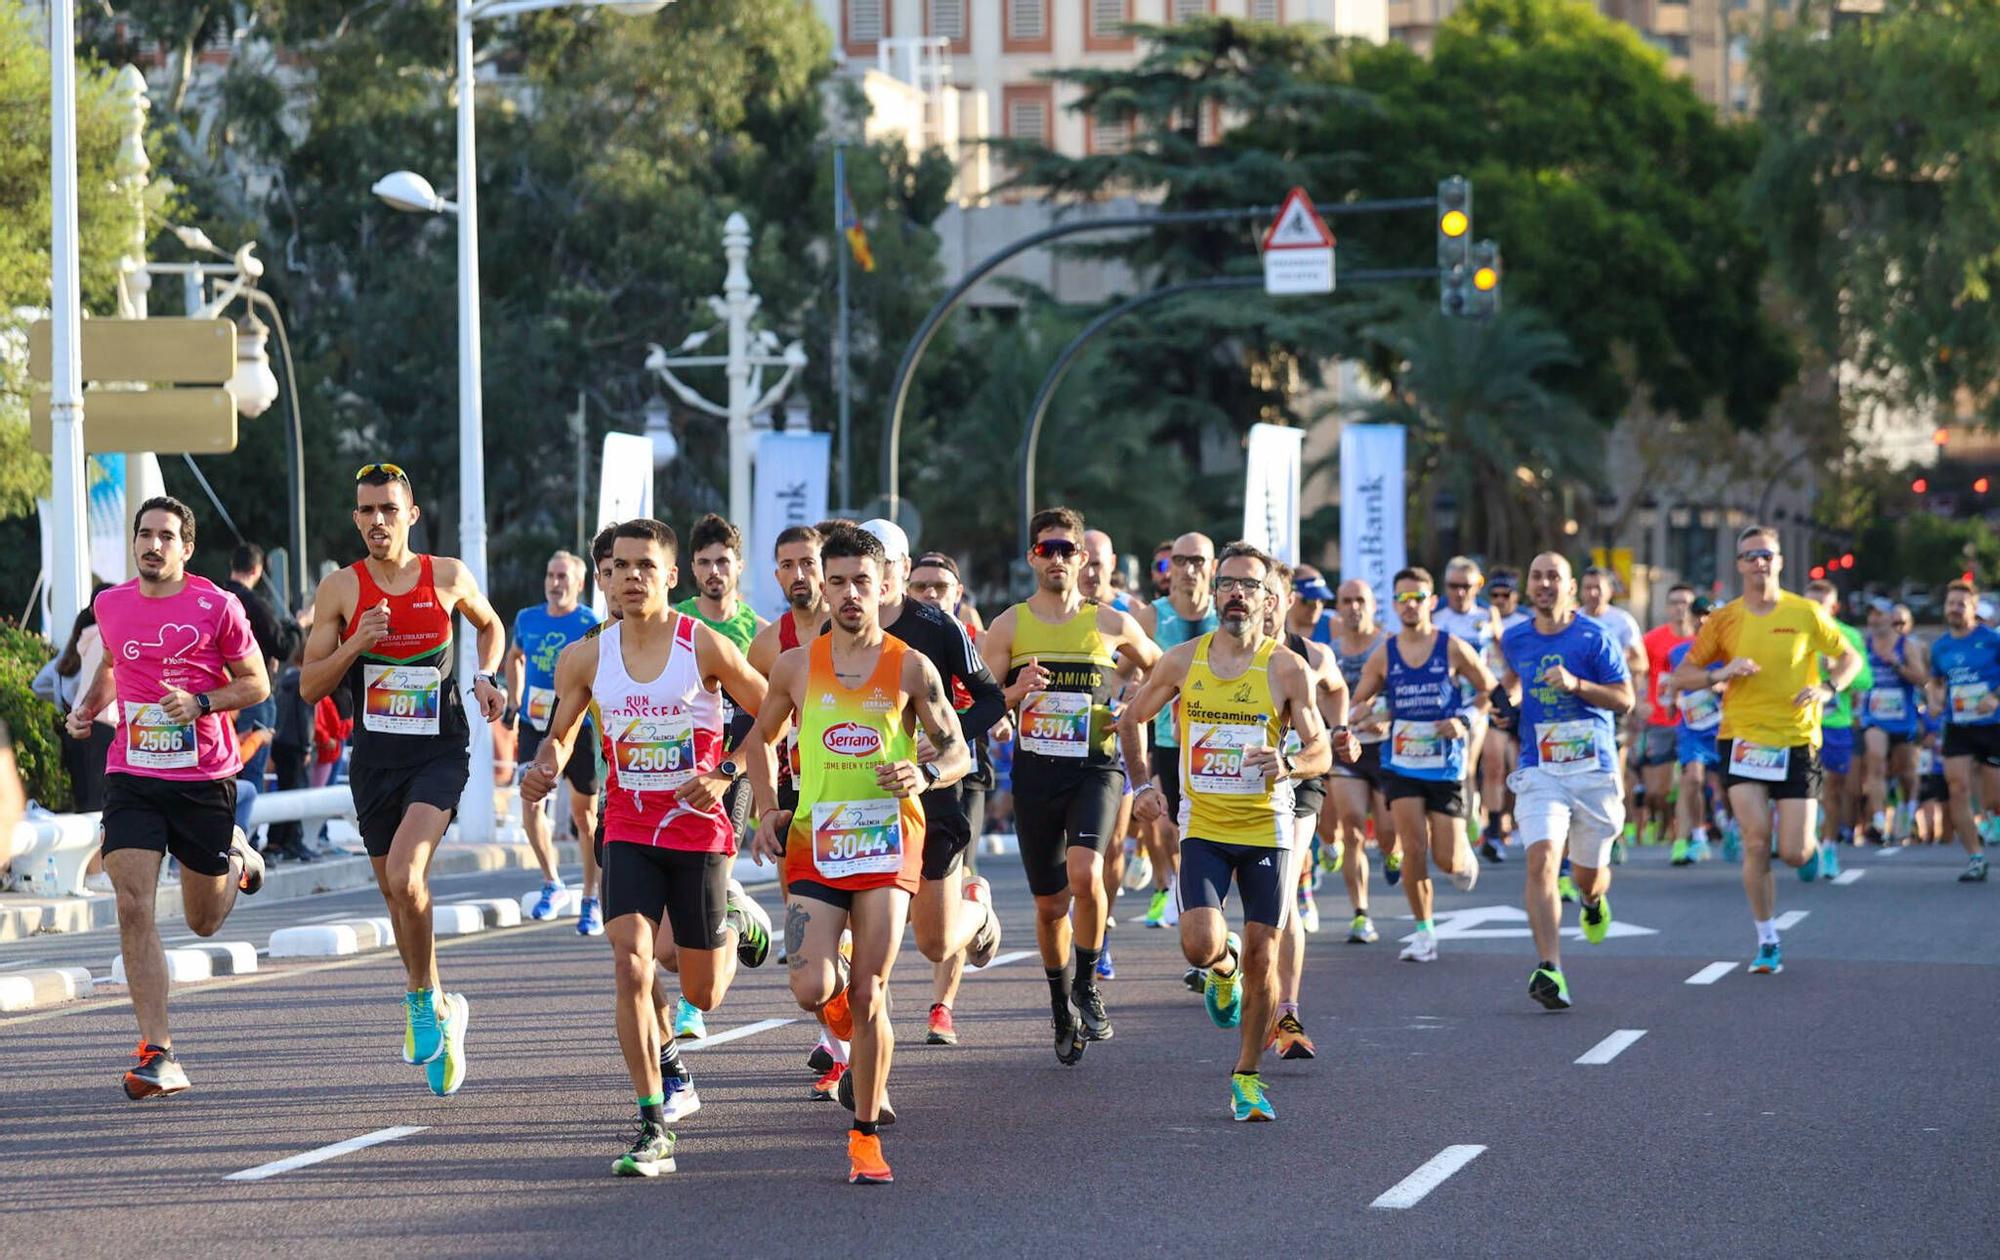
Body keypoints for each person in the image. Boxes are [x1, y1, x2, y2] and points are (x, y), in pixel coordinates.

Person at [524, 517, 774, 1177]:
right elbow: (561, 734)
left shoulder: (705, 647)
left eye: (645, 566)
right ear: (606, 578)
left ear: (671, 576)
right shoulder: (584, 656)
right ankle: (652, 1122)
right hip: (628, 826)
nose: (631, 577)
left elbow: (773, 712)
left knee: (703, 991)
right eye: (620, 566)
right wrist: (545, 764)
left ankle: (740, 919)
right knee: (632, 964)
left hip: (698, 831)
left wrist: (727, 773)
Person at [746, 524, 972, 1185]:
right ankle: (845, 1018)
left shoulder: (909, 666)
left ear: (884, 586)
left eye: (860, 582)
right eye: (835, 580)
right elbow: (760, 740)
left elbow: (957, 749)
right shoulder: (794, 665)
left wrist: (925, 775)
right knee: (810, 984)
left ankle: (865, 1136)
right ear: (822, 582)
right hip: (816, 839)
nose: (847, 593)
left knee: (872, 990)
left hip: (887, 842)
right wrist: (767, 809)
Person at [299, 463, 508, 1095]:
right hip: (374, 762)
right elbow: (311, 685)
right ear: (355, 518)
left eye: (389, 509)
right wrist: (355, 642)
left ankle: (419, 999)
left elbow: (490, 625)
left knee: (404, 876)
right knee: (398, 897)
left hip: (439, 753)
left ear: (411, 515)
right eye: (366, 510)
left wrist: (485, 675)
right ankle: (443, 1007)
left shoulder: (446, 575)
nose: (377, 521)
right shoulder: (341, 589)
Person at [1119, 542, 1341, 1121]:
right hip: (1205, 826)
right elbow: (1131, 719)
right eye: (1227, 584)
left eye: (1248, 585)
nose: (1236, 594)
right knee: (1197, 943)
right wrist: (1142, 786)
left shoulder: (1286, 667)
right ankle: (1222, 969)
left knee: (1266, 955)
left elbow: (1320, 748)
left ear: (1270, 601)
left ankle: (1246, 1076)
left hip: (1268, 826)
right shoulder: (1182, 660)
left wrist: (1291, 764)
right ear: (1216, 594)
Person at [65, 496, 270, 1098]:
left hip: (203, 776)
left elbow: (256, 681)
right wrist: (87, 708)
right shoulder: (111, 604)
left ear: (187, 547)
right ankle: (159, 1051)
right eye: (144, 535)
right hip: (132, 772)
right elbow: (109, 665)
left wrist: (203, 702)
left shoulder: (218, 606)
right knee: (132, 904)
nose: (152, 546)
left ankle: (238, 858)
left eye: (165, 537)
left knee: (203, 921)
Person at [981, 508, 1159, 1061]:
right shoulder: (1009, 624)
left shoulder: (1111, 622)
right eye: (1045, 549)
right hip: (1036, 773)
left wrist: (1134, 703)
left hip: (1096, 768)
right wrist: (1014, 695)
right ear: (1032, 557)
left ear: (1082, 559)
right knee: (1051, 905)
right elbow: (980, 699)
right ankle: (1061, 1004)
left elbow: (1159, 669)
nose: (1056, 558)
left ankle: (1087, 983)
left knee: (1086, 870)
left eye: (1066, 549)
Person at [843, 521, 1005, 1063]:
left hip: (932, 798)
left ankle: (976, 911)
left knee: (934, 943)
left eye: (885, 564)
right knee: (861, 941)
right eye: (864, 565)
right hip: (859, 805)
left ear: (903, 570)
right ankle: (855, 1063)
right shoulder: (831, 631)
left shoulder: (938, 627)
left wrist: (943, 738)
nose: (873, 578)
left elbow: (991, 699)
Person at [1670, 525, 1863, 974]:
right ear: (1738, 565)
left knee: (1793, 852)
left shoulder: (1806, 612)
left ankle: (1810, 852)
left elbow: (1848, 656)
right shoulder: (1724, 619)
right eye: (1750, 555)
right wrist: (1723, 672)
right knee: (1757, 842)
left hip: (1797, 739)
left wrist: (1828, 687)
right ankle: (1767, 940)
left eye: (1767, 555)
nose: (1759, 562)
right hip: (1742, 741)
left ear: (1780, 562)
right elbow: (1682, 675)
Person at [1492, 552, 1635, 1011]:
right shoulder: (1515, 638)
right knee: (1542, 860)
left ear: (1570, 587)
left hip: (1593, 769)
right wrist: (1506, 702)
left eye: (1554, 576)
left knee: (1589, 876)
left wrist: (1576, 684)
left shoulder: (1595, 636)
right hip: (1540, 765)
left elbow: (1625, 699)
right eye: (1537, 576)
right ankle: (1549, 966)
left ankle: (1593, 902)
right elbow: (1512, 681)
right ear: (1528, 586)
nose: (1545, 584)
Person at [1348, 566, 1495, 964]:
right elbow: (1359, 703)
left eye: (1417, 598)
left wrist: (1464, 719)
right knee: (1413, 847)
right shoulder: (1385, 653)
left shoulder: (1451, 647)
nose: (1409, 605)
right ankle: (1424, 931)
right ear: (1394, 604)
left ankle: (1462, 851)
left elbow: (1487, 690)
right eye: (1402, 599)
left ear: (1431, 602)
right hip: (1401, 763)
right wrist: (1370, 713)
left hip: (1444, 765)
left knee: (1448, 861)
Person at [908, 549, 1010, 1039]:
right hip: (900, 775)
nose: (930, 595)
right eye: (920, 586)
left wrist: (953, 735)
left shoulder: (966, 637)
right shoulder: (893, 637)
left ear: (957, 593)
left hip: (960, 775)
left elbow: (993, 698)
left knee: (951, 883)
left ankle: (940, 1008)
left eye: (939, 587)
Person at [1262, 561, 1352, 1059]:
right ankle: (1227, 967)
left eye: (1274, 593)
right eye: (1258, 592)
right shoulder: (1223, 654)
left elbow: (1336, 690)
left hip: (1301, 779)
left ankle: (1288, 1011)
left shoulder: (1312, 654)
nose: (1266, 602)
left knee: (1283, 886)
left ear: (1288, 598)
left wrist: (1340, 730)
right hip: (1236, 785)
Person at [506, 550, 603, 931]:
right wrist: (515, 699)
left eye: (563, 576)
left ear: (579, 584)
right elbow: (514, 656)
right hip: (534, 724)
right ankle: (552, 882)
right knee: (530, 806)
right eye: (550, 575)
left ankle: (591, 898)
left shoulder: (589, 622)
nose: (555, 583)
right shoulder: (526, 619)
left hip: (577, 727)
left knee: (585, 818)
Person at [1135, 532, 1219, 928]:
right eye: (1178, 561)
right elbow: (1123, 671)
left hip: (1220, 741)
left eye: (1197, 561)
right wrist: (1128, 691)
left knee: (1206, 831)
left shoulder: (1226, 616)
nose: (1187, 569)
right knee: (1169, 827)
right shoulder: (1152, 616)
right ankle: (1174, 887)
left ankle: (1202, 900)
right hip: (1167, 738)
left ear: (1212, 567)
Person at [1326, 578, 1392, 943]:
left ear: (1373, 606)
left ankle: (1391, 852)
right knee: (1351, 828)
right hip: (1345, 747)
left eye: (1360, 600)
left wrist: (1385, 715)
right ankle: (1360, 914)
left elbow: (1406, 695)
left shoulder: (1388, 645)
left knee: (1387, 834)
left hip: (1384, 747)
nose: (1353, 607)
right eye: (1347, 600)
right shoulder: (1330, 651)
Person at [1927, 580, 2000, 883]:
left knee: (1994, 799)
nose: (1955, 609)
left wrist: (1995, 697)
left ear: (1973, 608)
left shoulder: (1992, 640)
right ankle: (1975, 857)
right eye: (1951, 603)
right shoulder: (1941, 646)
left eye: (1961, 604)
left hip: (1992, 725)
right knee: (1957, 788)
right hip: (1957, 725)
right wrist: (1933, 699)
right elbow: (1936, 681)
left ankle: (1992, 818)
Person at [1433, 557, 1504, 860]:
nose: (1459, 592)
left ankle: (1471, 814)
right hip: (1444, 703)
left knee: (1469, 761)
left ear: (1478, 586)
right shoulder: (1437, 618)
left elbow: (1504, 654)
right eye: (1453, 586)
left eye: (1466, 586)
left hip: (1477, 702)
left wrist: (1503, 689)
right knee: (1449, 766)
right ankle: (1460, 816)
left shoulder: (1488, 615)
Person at [1803, 579, 1873, 879]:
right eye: (1811, 604)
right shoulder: (1793, 632)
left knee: (1832, 788)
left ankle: (1829, 846)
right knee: (1802, 790)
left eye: (1823, 604)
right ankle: (1803, 840)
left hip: (1835, 724)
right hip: (1799, 724)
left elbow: (1865, 680)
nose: (1817, 609)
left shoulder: (1848, 636)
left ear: (1834, 607)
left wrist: (1836, 672)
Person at [222, 542, 298, 792]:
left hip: (219, 696)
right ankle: (244, 829)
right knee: (250, 771)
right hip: (253, 693)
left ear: (233, 565)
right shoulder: (255, 604)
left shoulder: (217, 599)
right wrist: (298, 625)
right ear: (256, 570)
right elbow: (284, 647)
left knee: (225, 765)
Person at [1661, 597, 1725, 864]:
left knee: (1725, 786)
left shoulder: (1726, 653)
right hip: (1692, 729)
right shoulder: (1678, 653)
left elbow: (1736, 683)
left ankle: (1727, 823)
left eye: (1708, 615)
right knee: (1694, 779)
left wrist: (1719, 687)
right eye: (1698, 615)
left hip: (1722, 726)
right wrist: (1672, 702)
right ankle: (1698, 836)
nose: (1702, 620)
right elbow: (1670, 687)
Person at [1858, 598, 1927, 845]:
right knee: (1875, 764)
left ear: (1890, 618)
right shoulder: (1864, 645)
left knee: (1906, 772)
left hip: (1903, 718)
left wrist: (1896, 664)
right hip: (1874, 717)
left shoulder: (1906, 645)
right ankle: (1878, 820)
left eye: (1880, 615)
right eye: (1871, 615)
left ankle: (1907, 812)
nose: (1875, 620)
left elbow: (1921, 678)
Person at [1639, 585, 1698, 859]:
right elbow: (1638, 673)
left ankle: (1684, 835)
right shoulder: (1652, 640)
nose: (1680, 608)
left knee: (1691, 780)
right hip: (1659, 719)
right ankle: (1663, 820)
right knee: (1658, 791)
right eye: (1674, 603)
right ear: (1666, 607)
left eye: (1685, 603)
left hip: (1694, 721)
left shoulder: (1702, 640)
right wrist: (1640, 701)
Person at [1479, 566, 1528, 856]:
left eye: (1505, 595)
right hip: (1488, 701)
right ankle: (1494, 830)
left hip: (1519, 703)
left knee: (1518, 768)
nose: (1499, 600)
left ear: (1515, 596)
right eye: (1494, 595)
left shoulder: (1525, 622)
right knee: (1494, 765)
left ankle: (1518, 822)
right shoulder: (1479, 620)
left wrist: (1499, 631)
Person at [1288, 567, 1337, 644]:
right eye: (1309, 601)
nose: (1316, 607)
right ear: (1291, 598)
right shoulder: (1274, 625)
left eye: (1322, 600)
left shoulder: (1333, 625)